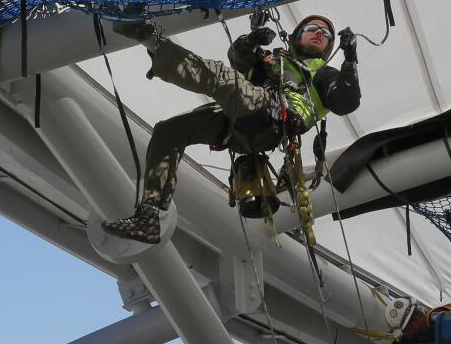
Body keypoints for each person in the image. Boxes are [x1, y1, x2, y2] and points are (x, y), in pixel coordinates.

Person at [101, 14, 361, 244]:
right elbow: (240, 60)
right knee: (169, 131)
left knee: (225, 79)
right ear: (296, 36)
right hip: (237, 125)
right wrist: (250, 41)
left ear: (328, 47)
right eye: (313, 28)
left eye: (326, 34)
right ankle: (150, 216)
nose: (319, 33)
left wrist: (350, 60)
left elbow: (346, 101)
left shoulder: (325, 75)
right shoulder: (274, 59)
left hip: (273, 119)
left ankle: (150, 39)